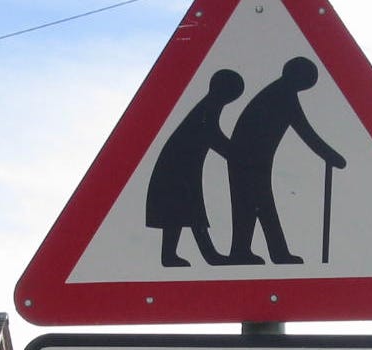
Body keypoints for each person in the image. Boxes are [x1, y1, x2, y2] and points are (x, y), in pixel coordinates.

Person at [226, 57, 346, 265]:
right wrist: (330, 156)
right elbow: (306, 133)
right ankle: (263, 252)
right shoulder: (283, 95)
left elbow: (305, 132)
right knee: (256, 204)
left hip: (252, 160)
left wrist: (331, 156)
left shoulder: (278, 92)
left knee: (255, 205)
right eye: (308, 79)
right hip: (249, 160)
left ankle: (248, 251)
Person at [145, 69, 245, 267]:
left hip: (181, 168)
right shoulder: (208, 108)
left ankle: (177, 255)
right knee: (187, 211)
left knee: (181, 212)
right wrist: (237, 154)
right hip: (177, 170)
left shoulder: (209, 105)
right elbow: (211, 134)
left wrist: (233, 152)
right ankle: (205, 255)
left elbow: (211, 134)